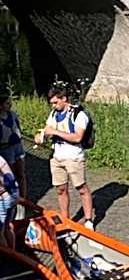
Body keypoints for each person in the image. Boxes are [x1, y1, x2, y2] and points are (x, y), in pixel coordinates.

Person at [34, 84, 93, 228]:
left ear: (64, 98)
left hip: (74, 157)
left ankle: (88, 219)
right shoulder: (53, 114)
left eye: (55, 102)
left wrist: (55, 132)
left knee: (81, 188)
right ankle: (65, 220)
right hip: (56, 157)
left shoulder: (79, 115)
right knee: (60, 189)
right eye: (51, 103)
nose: (53, 106)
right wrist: (40, 137)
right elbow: (46, 130)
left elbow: (77, 137)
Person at [0, 91, 26, 201]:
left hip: (17, 147)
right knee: (11, 176)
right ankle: (13, 200)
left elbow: (18, 127)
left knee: (21, 174)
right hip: (6, 149)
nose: (10, 105)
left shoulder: (13, 114)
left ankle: (24, 199)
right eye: (7, 103)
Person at [0, 153, 18, 250]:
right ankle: (13, 251)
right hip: (13, 195)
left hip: (2, 198)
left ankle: (7, 255)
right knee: (8, 226)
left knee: (0, 233)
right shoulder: (1, 159)